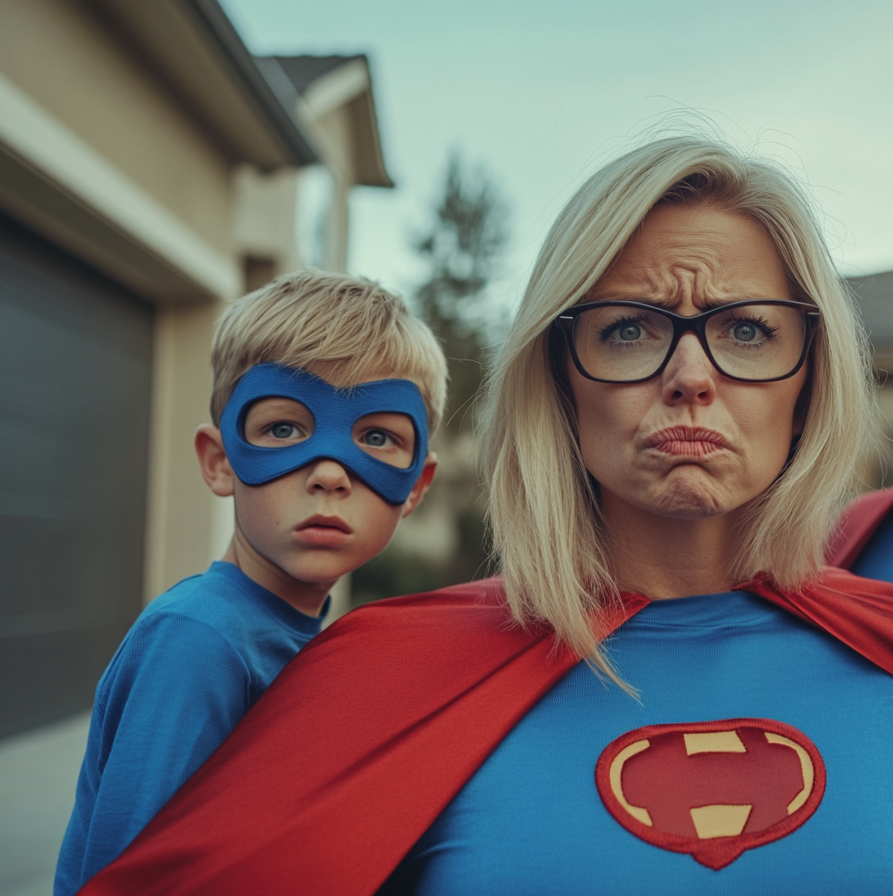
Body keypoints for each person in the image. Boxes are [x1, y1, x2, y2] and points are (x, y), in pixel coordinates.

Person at [78, 136, 893, 896]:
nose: (689, 375)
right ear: (559, 383)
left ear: (810, 384)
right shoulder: (376, 676)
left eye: (747, 329)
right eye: (626, 329)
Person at [54, 270, 445, 896]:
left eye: (376, 437)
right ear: (220, 461)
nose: (328, 473)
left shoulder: (315, 640)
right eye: (284, 429)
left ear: (416, 486)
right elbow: (130, 879)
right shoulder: (199, 639)